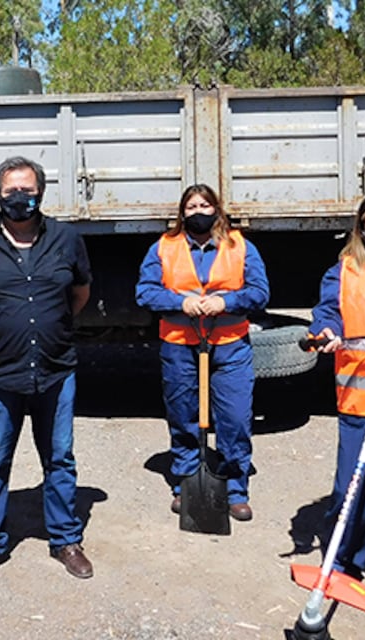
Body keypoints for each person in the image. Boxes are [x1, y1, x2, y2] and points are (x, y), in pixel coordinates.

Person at [0, 156, 94, 585]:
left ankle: (66, 539)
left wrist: (54, 327)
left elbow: (79, 293)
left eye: (27, 189)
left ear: (41, 192)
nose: (19, 197)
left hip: (55, 370)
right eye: (11, 190)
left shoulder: (66, 239)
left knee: (60, 459)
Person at [135, 183, 269, 521]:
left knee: (235, 419)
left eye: (205, 205)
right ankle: (186, 483)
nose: (198, 212)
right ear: (182, 213)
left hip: (230, 346)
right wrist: (181, 301)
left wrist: (227, 301)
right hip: (180, 343)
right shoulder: (163, 248)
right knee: (183, 416)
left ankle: (235, 487)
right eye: (192, 207)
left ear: (217, 209)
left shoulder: (240, 246)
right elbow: (145, 292)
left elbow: (259, 292)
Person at [306, 194, 365, 579]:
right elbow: (328, 311)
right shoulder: (345, 270)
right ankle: (341, 558)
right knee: (352, 484)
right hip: (359, 395)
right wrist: (325, 330)